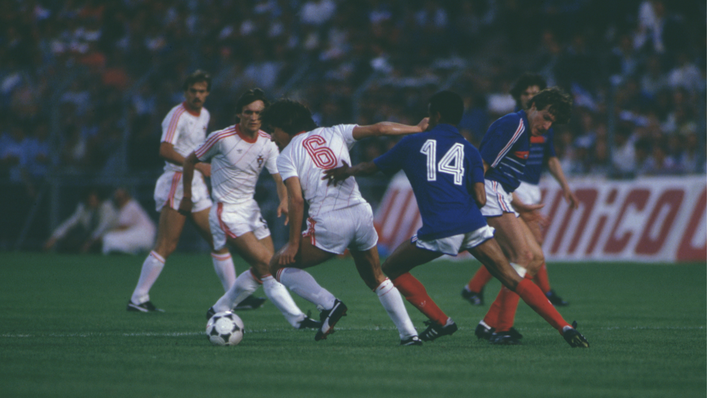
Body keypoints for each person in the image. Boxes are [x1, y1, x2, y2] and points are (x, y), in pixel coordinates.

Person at [324, 90, 588, 348]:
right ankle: (563, 327)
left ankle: (441, 321)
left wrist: (346, 171)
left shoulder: (412, 143)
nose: (546, 125)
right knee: (515, 277)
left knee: (391, 268)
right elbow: (482, 198)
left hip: (441, 228)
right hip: (474, 224)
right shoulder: (470, 150)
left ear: (434, 115)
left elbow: (372, 168)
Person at [262, 99, 425, 345]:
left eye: (273, 130)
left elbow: (296, 200)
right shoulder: (335, 131)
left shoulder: (286, 156)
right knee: (376, 277)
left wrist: (294, 243)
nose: (272, 138)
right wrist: (416, 128)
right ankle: (409, 334)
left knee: (276, 266)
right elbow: (379, 128)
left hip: (330, 222)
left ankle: (329, 305)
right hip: (360, 214)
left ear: (285, 126)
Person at [180, 89, 321, 330]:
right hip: (227, 212)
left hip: (251, 211)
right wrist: (186, 195)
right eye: (248, 112)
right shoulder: (221, 138)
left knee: (265, 268)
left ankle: (219, 308)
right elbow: (190, 160)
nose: (253, 117)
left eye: (258, 113)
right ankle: (298, 319)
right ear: (239, 114)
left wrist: (284, 200)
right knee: (269, 265)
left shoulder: (267, 142)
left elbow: (279, 178)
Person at [127, 71, 262, 313]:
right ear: (185, 92)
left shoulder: (205, 114)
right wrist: (198, 165)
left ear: (207, 93)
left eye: (202, 91)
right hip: (177, 182)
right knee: (167, 244)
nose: (197, 95)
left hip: (196, 184)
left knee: (218, 239)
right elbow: (165, 150)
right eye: (193, 91)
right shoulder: (177, 115)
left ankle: (234, 298)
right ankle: (138, 298)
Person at [461, 73, 576, 307]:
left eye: (551, 122)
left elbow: (506, 173)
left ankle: (491, 319)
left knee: (533, 258)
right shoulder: (515, 125)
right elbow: (483, 166)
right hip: (493, 193)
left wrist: (520, 205)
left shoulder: (527, 129)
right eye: (545, 118)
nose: (546, 125)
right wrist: (467, 200)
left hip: (507, 194)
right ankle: (497, 323)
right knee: (522, 256)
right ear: (531, 104)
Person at [44, 188, 117, 253]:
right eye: (90, 200)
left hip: (108, 235)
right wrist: (54, 238)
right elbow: (70, 223)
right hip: (90, 236)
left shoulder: (107, 207)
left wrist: (89, 243)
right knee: (69, 242)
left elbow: (102, 227)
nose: (92, 202)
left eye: (94, 199)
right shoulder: (82, 207)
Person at [100, 187, 156, 255]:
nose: (119, 200)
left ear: (127, 197)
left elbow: (123, 227)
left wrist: (107, 232)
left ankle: (123, 250)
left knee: (109, 237)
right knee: (109, 237)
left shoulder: (130, 206)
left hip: (143, 234)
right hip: (142, 233)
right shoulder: (126, 206)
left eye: (121, 198)